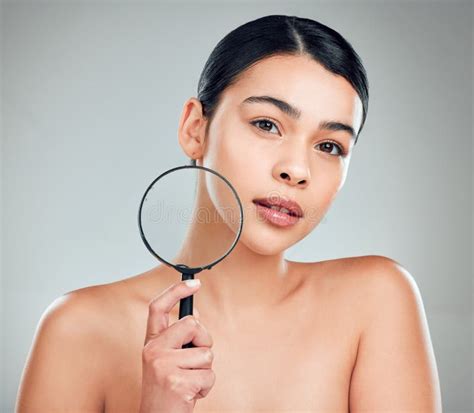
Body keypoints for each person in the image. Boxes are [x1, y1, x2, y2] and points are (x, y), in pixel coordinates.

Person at [15, 14, 442, 413]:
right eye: (267, 124)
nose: (296, 170)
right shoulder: (77, 332)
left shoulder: (375, 300)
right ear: (194, 129)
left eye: (329, 146)